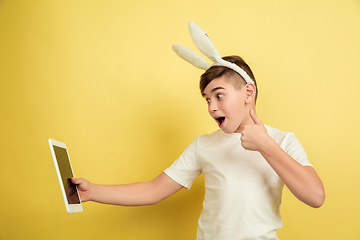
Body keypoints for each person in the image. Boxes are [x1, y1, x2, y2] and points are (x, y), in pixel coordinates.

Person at [72, 55, 325, 240]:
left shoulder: (282, 141)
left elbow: (315, 197)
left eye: (219, 95)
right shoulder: (204, 145)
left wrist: (266, 146)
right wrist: (93, 192)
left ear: (248, 92)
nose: (211, 107)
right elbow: (153, 190)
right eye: (207, 99)